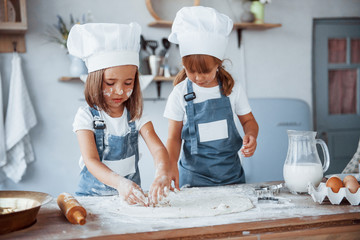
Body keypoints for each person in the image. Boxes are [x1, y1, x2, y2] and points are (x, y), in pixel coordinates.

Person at [67, 22, 173, 206]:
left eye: (128, 82)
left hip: (129, 202)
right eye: (110, 83)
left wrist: (163, 172)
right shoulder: (86, 117)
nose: (119, 91)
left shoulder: (136, 116)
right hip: (92, 201)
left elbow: (158, 149)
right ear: (95, 81)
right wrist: (120, 183)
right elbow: (91, 161)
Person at [164, 6, 259, 188]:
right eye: (191, 71)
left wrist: (252, 135)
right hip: (193, 179)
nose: (198, 78)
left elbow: (249, 121)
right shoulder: (180, 93)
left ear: (218, 63)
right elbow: (173, 138)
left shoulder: (232, 89)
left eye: (205, 71)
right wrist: (170, 165)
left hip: (231, 177)